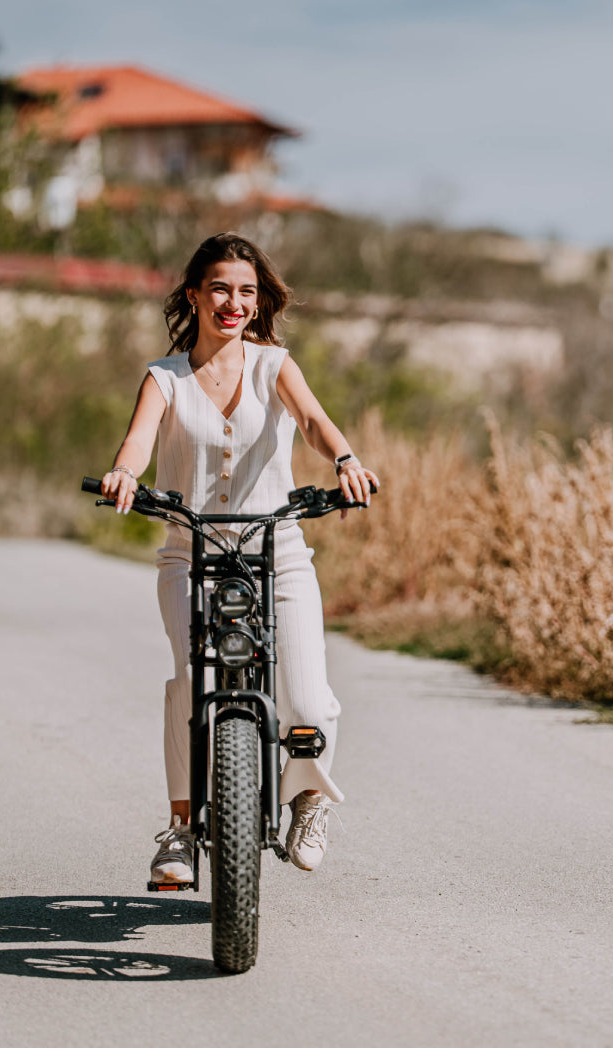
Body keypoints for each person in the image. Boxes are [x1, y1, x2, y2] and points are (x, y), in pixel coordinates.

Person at [100, 232, 378, 882]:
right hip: (189, 553)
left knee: (307, 701)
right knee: (189, 683)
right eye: (220, 288)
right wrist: (122, 474)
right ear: (194, 295)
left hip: (274, 550)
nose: (234, 302)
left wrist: (345, 459)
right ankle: (179, 828)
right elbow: (138, 440)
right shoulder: (164, 378)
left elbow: (312, 421)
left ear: (259, 300)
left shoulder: (273, 363)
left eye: (247, 291)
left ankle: (308, 796)